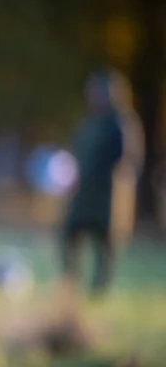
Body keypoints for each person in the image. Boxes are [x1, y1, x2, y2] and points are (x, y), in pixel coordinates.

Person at [60, 68, 144, 297]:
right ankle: (70, 283)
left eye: (97, 91)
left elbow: (126, 160)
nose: (92, 95)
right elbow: (77, 153)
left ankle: (98, 290)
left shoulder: (120, 122)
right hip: (83, 192)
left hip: (107, 195)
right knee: (69, 234)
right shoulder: (89, 122)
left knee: (105, 245)